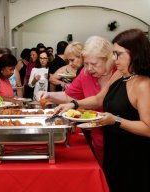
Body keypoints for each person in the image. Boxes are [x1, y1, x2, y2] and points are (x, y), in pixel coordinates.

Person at [55, 29, 150, 192]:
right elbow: (99, 99)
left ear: (134, 54)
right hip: (115, 151)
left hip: (134, 156)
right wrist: (74, 105)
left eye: (118, 54)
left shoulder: (143, 84)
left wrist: (115, 121)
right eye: (114, 54)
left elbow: (148, 128)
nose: (114, 59)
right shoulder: (120, 75)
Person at [37, 36, 116, 166]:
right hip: (98, 140)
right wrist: (48, 95)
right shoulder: (85, 74)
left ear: (107, 60)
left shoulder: (119, 73)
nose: (89, 68)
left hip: (121, 139)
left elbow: (96, 100)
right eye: (86, 63)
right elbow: (69, 96)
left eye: (94, 64)